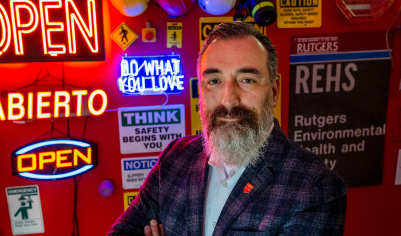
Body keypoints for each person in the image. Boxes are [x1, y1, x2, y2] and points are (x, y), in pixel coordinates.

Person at [108, 21, 347, 236]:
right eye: (214, 81)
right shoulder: (175, 157)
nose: (228, 100)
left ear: (274, 91)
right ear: (201, 92)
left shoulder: (315, 187)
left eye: (247, 80)